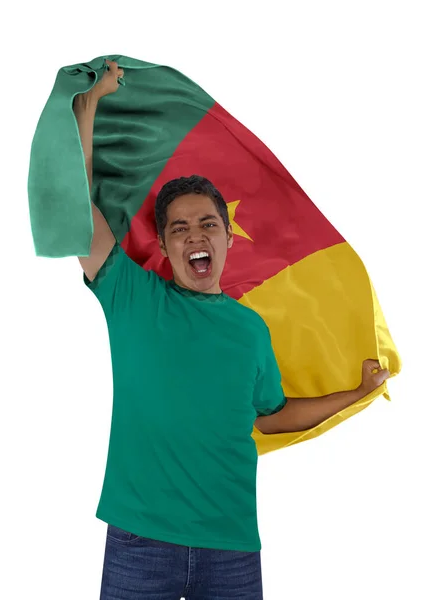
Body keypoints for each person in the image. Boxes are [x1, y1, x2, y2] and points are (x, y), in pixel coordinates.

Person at [73, 60, 390, 600]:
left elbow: (271, 418)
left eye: (208, 224)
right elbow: (75, 218)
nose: (195, 235)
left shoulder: (250, 330)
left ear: (227, 237)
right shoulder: (131, 296)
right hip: (140, 543)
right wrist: (89, 110)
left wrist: (354, 394)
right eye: (179, 227)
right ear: (167, 244)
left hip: (232, 546)